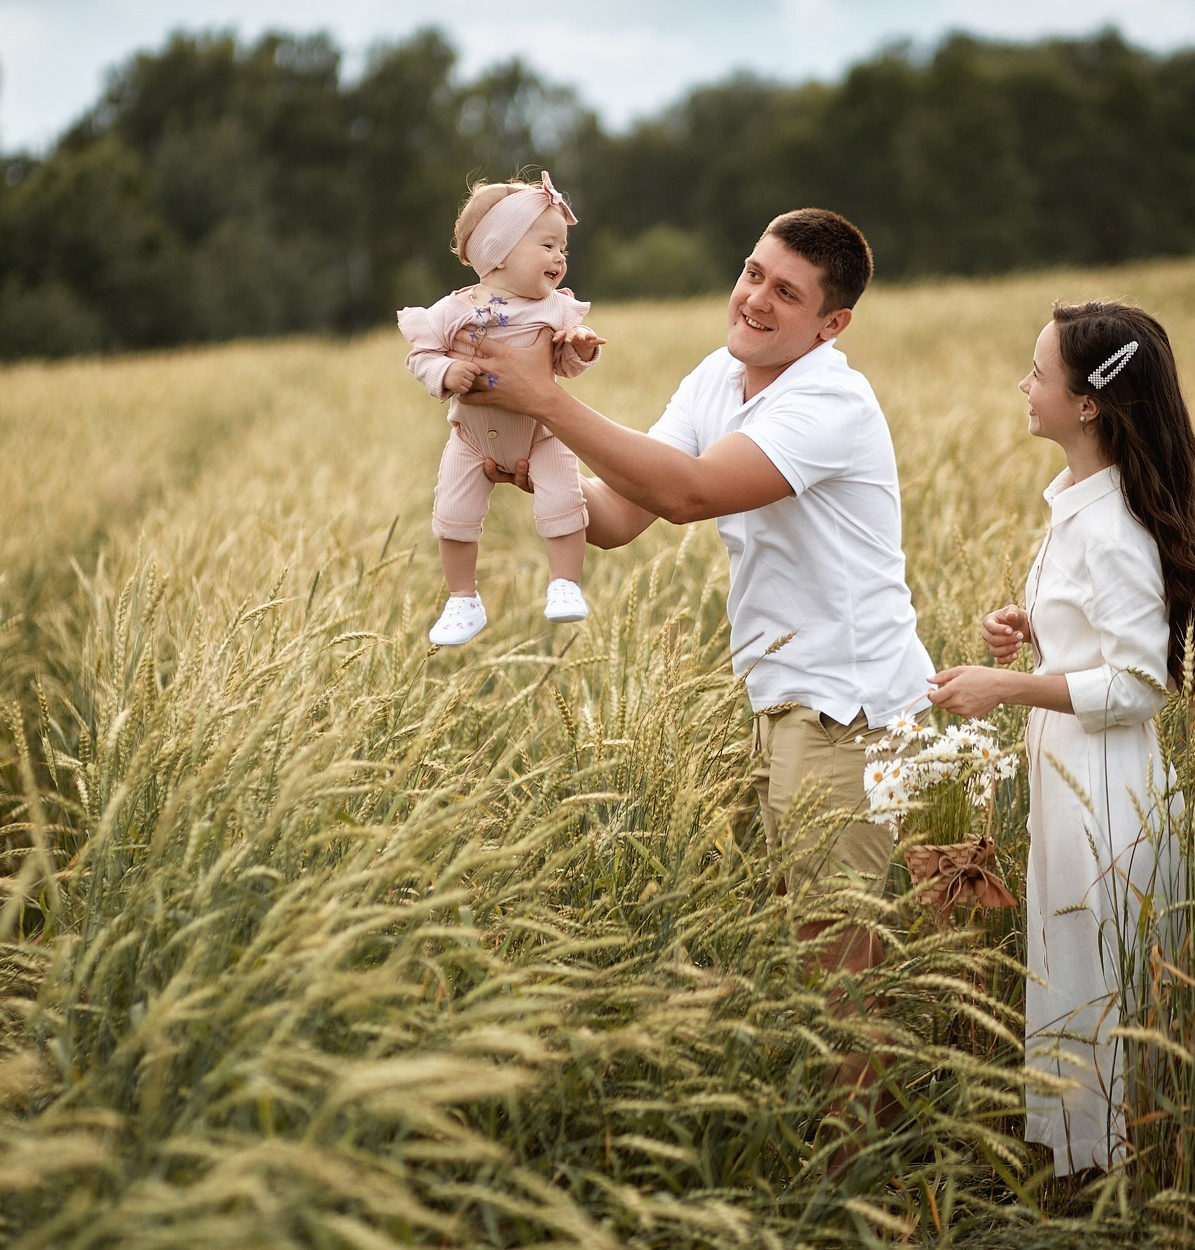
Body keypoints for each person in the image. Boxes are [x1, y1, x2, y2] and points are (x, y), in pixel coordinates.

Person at [454, 207, 932, 1116]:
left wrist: (549, 399)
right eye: (753, 272)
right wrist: (515, 458)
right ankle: (833, 1159)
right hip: (786, 697)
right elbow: (621, 517)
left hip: (851, 709)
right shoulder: (723, 376)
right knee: (808, 956)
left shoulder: (830, 399)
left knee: (839, 974)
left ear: (832, 325)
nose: (754, 298)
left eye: (785, 292)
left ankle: (852, 1181)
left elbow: (686, 494)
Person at [925, 300, 1195, 1178]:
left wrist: (1006, 686)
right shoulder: (1077, 507)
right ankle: (1081, 1172)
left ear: (1089, 402)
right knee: (1071, 971)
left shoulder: (1112, 528)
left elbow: (1140, 685)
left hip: (1109, 799)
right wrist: (1032, 629)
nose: (1023, 386)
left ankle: (1116, 1180)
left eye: (1038, 372)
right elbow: (1103, 646)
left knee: (1104, 982)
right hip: (1071, 781)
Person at [397, 171, 606, 646]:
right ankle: (462, 599)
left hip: (541, 433)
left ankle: (564, 583)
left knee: (563, 498)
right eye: (548, 245)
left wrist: (581, 348)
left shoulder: (556, 309)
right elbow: (421, 357)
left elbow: (567, 367)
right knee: (453, 511)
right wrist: (446, 374)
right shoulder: (451, 311)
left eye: (564, 250)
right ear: (499, 249)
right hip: (471, 439)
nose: (559, 258)